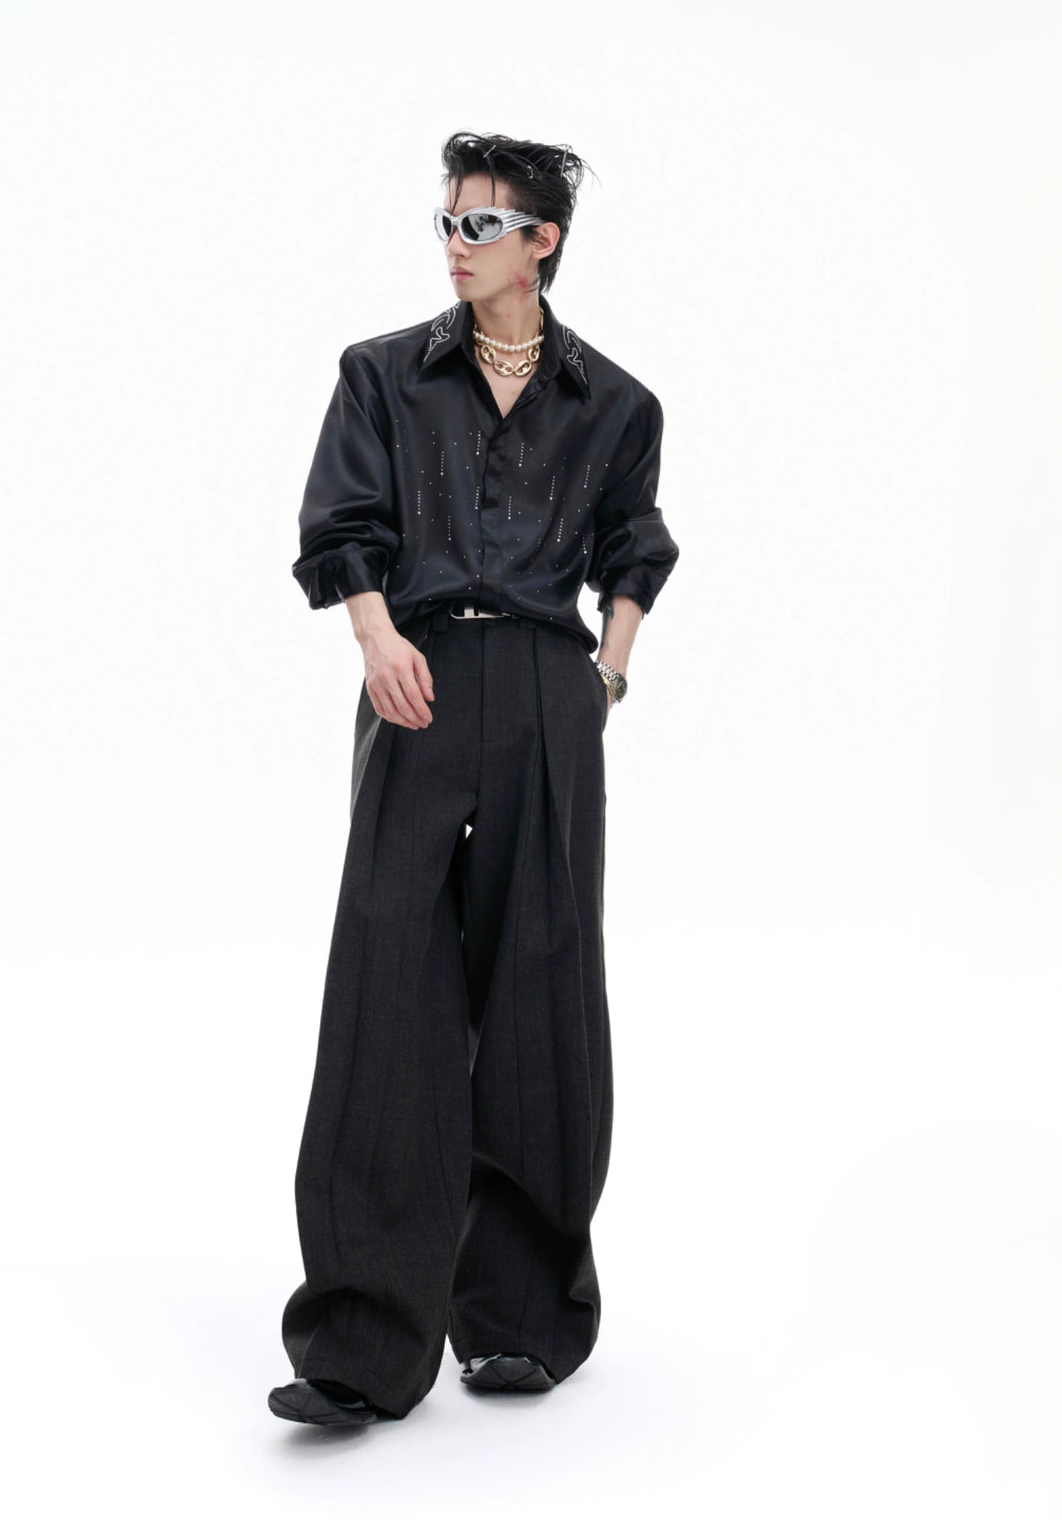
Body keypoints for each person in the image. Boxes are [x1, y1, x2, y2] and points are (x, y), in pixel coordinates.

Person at [268, 130, 680, 1427]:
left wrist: (607, 674)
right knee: (387, 982)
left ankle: (520, 1320)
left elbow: (634, 544)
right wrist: (377, 636)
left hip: (552, 694)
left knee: (543, 985)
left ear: (541, 242)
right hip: (420, 677)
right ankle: (361, 1339)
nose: (456, 242)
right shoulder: (384, 374)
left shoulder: (616, 402)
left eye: (482, 224)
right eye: (448, 220)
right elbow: (342, 524)